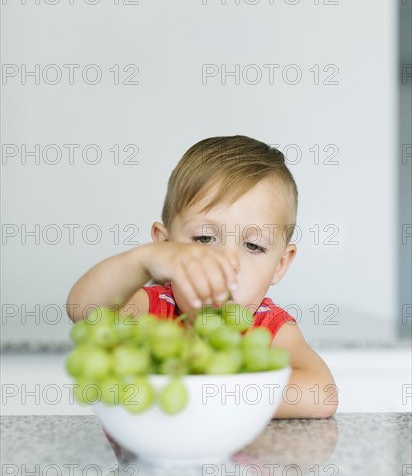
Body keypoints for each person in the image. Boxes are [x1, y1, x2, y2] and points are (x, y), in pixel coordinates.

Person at [66, 135, 338, 418]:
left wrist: (212, 390)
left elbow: (322, 394)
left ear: (280, 265)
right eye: (204, 238)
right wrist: (144, 260)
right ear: (165, 245)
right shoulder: (152, 311)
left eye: (253, 246)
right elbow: (82, 309)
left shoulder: (269, 327)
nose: (226, 263)